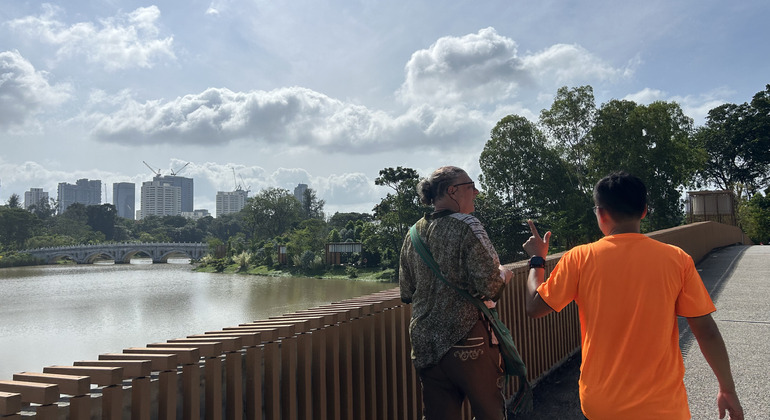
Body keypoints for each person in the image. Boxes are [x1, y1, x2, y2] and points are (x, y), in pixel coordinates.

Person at [522, 171, 744, 420]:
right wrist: (727, 389)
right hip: (664, 407)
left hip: (602, 405)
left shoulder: (580, 258)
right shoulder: (677, 259)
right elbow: (707, 331)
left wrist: (537, 260)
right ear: (644, 211)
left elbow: (534, 307)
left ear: (601, 213)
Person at [399, 165, 514, 420]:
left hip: (426, 344)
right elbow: (491, 287)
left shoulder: (413, 233)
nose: (476, 192)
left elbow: (407, 291)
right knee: (490, 413)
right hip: (468, 339)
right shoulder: (468, 224)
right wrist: (504, 273)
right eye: (471, 187)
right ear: (452, 191)